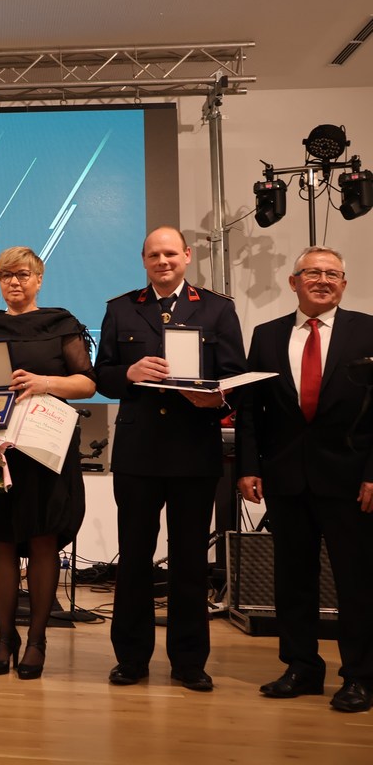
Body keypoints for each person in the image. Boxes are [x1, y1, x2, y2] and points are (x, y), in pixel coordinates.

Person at [94, 226, 245, 692]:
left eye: (170, 254)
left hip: (193, 451)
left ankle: (189, 661)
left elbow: (235, 377)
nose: (163, 261)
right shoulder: (121, 308)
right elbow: (102, 377)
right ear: (144, 260)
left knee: (190, 562)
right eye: (154, 255)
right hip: (138, 454)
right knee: (134, 560)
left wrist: (216, 401)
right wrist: (129, 372)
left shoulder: (218, 308)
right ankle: (131, 658)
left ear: (187, 256)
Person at [236, 246, 373, 713]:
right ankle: (301, 667)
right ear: (293, 282)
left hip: (352, 479)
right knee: (293, 578)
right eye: (312, 272)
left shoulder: (368, 331)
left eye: (333, 273)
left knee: (357, 581)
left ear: (344, 284)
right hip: (286, 477)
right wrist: (249, 466)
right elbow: (252, 410)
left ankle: (360, 676)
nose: (323, 280)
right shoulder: (267, 335)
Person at [0, 247, 96, 678]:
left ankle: (37, 640)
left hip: (47, 449)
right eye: (6, 275)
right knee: (0, 541)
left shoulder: (61, 324)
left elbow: (86, 384)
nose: (14, 282)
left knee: (42, 540)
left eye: (22, 274)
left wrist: (44, 383)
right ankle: (5, 638)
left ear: (39, 279)